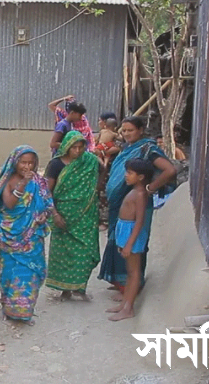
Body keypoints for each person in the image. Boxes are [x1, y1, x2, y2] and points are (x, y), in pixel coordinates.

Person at [98, 116, 177, 301]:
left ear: (141, 130)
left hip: (136, 205)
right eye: (123, 131)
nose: (126, 134)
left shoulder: (148, 149)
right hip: (121, 204)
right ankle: (121, 282)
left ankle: (132, 285)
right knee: (118, 241)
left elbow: (170, 170)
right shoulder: (127, 148)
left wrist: (150, 188)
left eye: (130, 130)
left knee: (133, 245)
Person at [0, 146, 64, 325]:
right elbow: (8, 204)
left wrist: (53, 215)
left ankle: (24, 312)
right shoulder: (7, 181)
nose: (27, 166)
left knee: (32, 271)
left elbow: (47, 200)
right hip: (12, 237)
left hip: (32, 236)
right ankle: (8, 309)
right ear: (15, 162)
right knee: (10, 272)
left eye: (31, 162)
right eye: (23, 162)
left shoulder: (39, 181)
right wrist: (22, 183)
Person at [44, 131, 100, 301]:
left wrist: (94, 191)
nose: (77, 150)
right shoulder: (55, 165)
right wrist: (54, 214)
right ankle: (65, 290)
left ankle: (80, 287)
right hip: (63, 216)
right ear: (66, 147)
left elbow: (102, 169)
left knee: (86, 251)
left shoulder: (89, 161)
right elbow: (46, 191)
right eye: (73, 147)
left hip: (85, 215)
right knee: (64, 253)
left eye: (80, 147)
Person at [106, 158, 153, 321]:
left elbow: (140, 220)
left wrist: (129, 244)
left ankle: (128, 308)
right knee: (129, 271)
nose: (126, 175)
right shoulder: (134, 190)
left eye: (130, 173)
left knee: (134, 273)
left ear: (140, 177)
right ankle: (125, 303)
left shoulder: (140, 194)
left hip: (132, 232)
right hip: (125, 230)